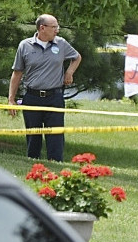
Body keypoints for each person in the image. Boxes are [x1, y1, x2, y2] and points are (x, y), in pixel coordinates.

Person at [8, 14, 82, 162]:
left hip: (54, 97)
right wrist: (11, 99)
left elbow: (77, 57)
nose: (57, 30)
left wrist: (69, 72)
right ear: (42, 28)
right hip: (32, 97)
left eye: (57, 27)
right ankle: (33, 163)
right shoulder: (25, 45)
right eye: (54, 27)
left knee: (55, 135)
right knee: (33, 134)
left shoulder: (60, 43)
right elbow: (17, 73)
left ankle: (55, 164)